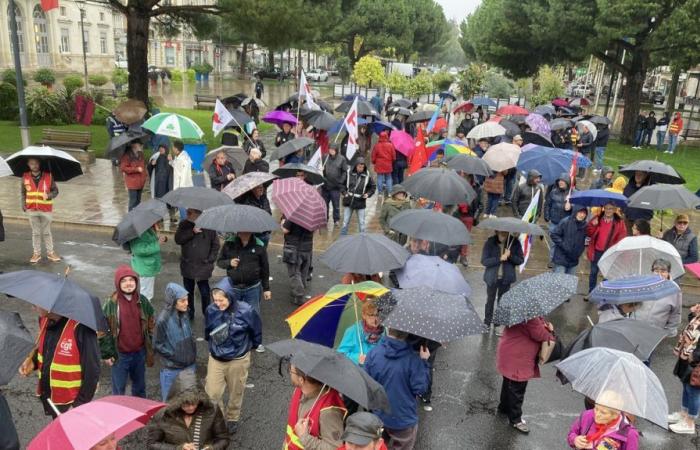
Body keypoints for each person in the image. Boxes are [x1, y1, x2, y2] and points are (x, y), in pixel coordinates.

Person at [18, 307, 99, 418]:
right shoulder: (43, 320)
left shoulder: (82, 328)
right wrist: (33, 362)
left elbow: (92, 371)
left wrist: (78, 406)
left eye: (37, 304)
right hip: (51, 397)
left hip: (71, 403)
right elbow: (48, 349)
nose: (33, 307)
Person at [204, 288, 262, 435]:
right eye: (215, 300)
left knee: (236, 391)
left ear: (230, 297)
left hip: (238, 360)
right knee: (212, 393)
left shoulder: (247, 311)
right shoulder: (211, 310)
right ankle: (220, 418)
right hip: (216, 358)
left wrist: (247, 349)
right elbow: (207, 332)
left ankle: (232, 418)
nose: (217, 304)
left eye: (221, 300)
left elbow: (256, 333)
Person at [364, 329, 431, 450]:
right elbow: (420, 389)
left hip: (379, 416)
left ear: (388, 328)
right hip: (404, 419)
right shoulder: (414, 359)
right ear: (408, 333)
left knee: (379, 445)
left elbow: (366, 383)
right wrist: (424, 362)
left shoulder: (373, 353)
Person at [99, 265, 155, 398]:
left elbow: (151, 322)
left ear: (136, 282)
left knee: (140, 387)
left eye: (131, 280)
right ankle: (119, 415)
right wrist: (107, 354)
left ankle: (140, 411)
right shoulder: (111, 304)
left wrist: (149, 343)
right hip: (120, 355)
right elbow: (102, 330)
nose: (128, 283)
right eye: (124, 281)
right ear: (118, 284)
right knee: (119, 390)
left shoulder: (143, 301)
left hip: (139, 353)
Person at [496, 316, 554, 434]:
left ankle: (504, 407)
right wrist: (550, 330)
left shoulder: (519, 312)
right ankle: (515, 419)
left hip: (510, 352)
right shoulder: (531, 316)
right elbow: (540, 335)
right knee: (517, 388)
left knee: (508, 383)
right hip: (519, 358)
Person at [147, 370, 230, 449]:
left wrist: (212, 448)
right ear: (177, 402)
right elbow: (152, 444)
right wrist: (177, 449)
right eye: (185, 404)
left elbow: (223, 439)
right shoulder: (162, 415)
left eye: (194, 403)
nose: (191, 408)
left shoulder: (212, 410)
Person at [216, 231, 271, 343]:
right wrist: (229, 262)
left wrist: (266, 288)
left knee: (254, 315)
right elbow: (219, 262)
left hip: (253, 288)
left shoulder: (259, 245)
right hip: (234, 288)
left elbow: (265, 268)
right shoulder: (229, 243)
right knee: (233, 314)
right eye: (241, 231)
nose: (244, 233)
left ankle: (256, 341)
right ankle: (235, 339)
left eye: (247, 231)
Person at [284, 365, 346, 450]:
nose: (290, 373)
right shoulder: (300, 390)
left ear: (301, 379)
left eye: (291, 371)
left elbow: (335, 448)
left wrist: (304, 437)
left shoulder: (329, 412)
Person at [153, 283, 196, 401]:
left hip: (189, 366)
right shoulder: (163, 320)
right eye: (182, 301)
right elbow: (157, 344)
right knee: (169, 404)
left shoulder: (185, 313)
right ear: (173, 301)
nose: (186, 303)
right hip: (171, 369)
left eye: (187, 300)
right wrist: (175, 355)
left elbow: (190, 334)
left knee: (189, 401)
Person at [174, 209, 220, 319]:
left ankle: (207, 312)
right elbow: (178, 240)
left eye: (191, 212)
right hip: (188, 265)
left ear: (198, 213)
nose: (188, 213)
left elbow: (215, 245)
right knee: (188, 292)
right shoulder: (184, 225)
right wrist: (192, 232)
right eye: (188, 211)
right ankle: (189, 313)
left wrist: (210, 260)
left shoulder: (209, 226)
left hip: (203, 266)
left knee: (204, 292)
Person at [481, 231, 524, 333]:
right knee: (490, 300)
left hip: (506, 279)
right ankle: (487, 322)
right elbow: (484, 261)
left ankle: (497, 324)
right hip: (492, 278)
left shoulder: (515, 243)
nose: (502, 236)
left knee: (502, 302)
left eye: (505, 234)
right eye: (501, 233)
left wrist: (510, 256)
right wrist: (499, 258)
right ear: (497, 232)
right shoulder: (490, 243)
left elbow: (520, 260)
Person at [567, 391, 639, 449]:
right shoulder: (587, 416)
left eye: (603, 412)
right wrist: (575, 440)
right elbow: (572, 433)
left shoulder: (630, 434)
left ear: (615, 415)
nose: (597, 414)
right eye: (596, 408)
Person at [22, 157, 61, 263]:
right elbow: (23, 192)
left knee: (47, 232)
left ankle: (50, 252)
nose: (34, 165)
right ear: (28, 165)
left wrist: (48, 195)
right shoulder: (25, 177)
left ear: (39, 164)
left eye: (36, 163)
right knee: (36, 233)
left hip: (45, 209)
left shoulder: (48, 176)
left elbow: (56, 191)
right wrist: (24, 204)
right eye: (31, 164)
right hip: (31, 209)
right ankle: (36, 253)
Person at [669, 302, 700, 434]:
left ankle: (689, 423)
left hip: (695, 359)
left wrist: (696, 356)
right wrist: (694, 313)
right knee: (686, 386)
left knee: (693, 390)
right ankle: (683, 414)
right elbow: (694, 327)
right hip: (687, 355)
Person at [586, 203, 627, 295]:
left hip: (609, 252)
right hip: (596, 251)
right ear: (604, 208)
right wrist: (593, 225)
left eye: (611, 209)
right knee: (593, 272)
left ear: (614, 210)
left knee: (607, 274)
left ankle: (603, 292)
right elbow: (589, 233)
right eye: (606, 208)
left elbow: (622, 237)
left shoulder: (619, 222)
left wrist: (615, 249)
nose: (608, 211)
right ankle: (591, 292)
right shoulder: (597, 218)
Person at [635, 259, 682, 337]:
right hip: (636, 326)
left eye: (663, 271)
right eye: (656, 271)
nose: (659, 274)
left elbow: (676, 313)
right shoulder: (643, 284)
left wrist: (669, 331)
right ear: (652, 271)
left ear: (668, 273)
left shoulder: (674, 289)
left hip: (656, 331)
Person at [338, 300, 384, 366]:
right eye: (371, 315)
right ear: (364, 315)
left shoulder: (384, 331)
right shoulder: (352, 331)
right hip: (359, 373)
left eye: (377, 315)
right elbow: (340, 354)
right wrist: (357, 358)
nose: (375, 319)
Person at [129, 223, 166, 302]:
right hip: (145, 267)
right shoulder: (138, 233)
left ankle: (145, 308)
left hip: (148, 265)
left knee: (147, 290)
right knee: (146, 293)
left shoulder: (146, 228)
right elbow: (140, 250)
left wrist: (158, 238)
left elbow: (148, 242)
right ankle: (145, 310)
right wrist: (157, 243)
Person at [282, 218, 314, 305]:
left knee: (294, 273)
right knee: (303, 271)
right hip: (307, 248)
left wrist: (283, 223)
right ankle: (300, 289)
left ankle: (299, 295)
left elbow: (285, 230)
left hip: (295, 247)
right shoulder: (312, 217)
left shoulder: (293, 216)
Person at [341, 158, 376, 235]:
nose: (361, 168)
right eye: (359, 167)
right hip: (349, 200)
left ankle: (362, 238)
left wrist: (368, 194)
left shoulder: (367, 175)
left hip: (360, 202)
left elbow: (373, 187)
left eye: (362, 167)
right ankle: (342, 238)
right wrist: (344, 193)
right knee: (345, 222)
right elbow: (342, 184)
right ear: (356, 166)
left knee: (362, 223)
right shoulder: (349, 172)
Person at [551, 206, 588, 275]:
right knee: (559, 282)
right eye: (580, 212)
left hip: (574, 259)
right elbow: (554, 234)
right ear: (575, 212)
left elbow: (589, 237)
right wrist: (563, 244)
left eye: (584, 213)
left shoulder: (585, 225)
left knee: (570, 283)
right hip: (561, 257)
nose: (582, 215)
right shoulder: (566, 221)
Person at [544, 174, 573, 260]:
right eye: (559, 180)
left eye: (562, 181)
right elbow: (547, 204)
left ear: (567, 182)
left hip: (566, 224)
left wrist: (571, 206)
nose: (560, 182)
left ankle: (561, 258)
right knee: (553, 242)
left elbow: (578, 209)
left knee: (564, 242)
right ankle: (552, 259)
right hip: (554, 222)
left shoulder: (572, 194)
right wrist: (547, 215)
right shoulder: (553, 192)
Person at [322, 145, 348, 226]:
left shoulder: (342, 159)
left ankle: (336, 219)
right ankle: (324, 219)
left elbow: (344, 171)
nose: (331, 151)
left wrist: (341, 180)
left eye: (333, 149)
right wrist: (321, 170)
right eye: (330, 149)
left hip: (335, 186)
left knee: (336, 204)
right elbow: (320, 167)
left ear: (336, 150)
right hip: (325, 185)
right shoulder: (325, 157)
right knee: (324, 205)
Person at [120, 141, 148, 211]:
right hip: (132, 183)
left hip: (140, 182)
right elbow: (123, 168)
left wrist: (145, 176)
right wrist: (136, 169)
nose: (141, 146)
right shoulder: (126, 156)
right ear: (134, 145)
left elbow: (143, 167)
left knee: (138, 202)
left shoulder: (140, 154)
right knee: (133, 202)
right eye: (140, 144)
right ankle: (130, 219)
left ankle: (137, 218)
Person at [371, 131, 396, 197]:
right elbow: (394, 156)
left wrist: (374, 162)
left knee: (379, 178)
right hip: (388, 164)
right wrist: (392, 161)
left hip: (379, 164)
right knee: (388, 178)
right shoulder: (390, 145)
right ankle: (390, 192)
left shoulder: (377, 145)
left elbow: (373, 155)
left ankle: (380, 193)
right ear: (386, 137)